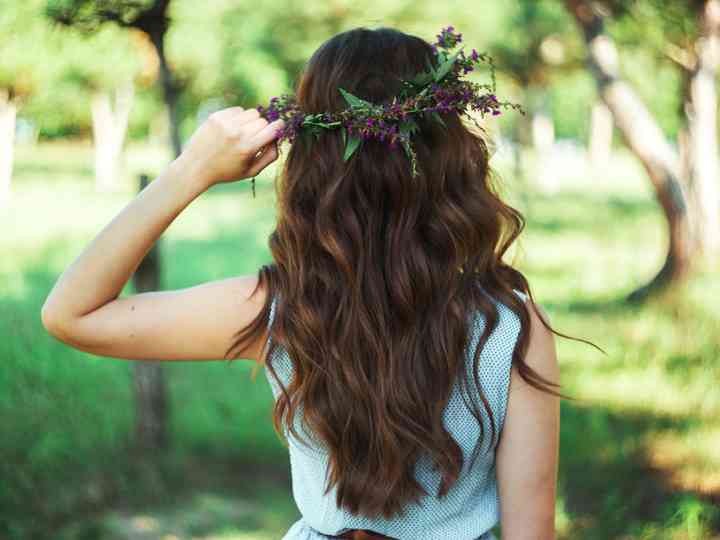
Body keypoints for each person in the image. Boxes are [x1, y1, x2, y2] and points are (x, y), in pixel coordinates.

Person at [41, 25, 578, 540]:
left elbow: (72, 314)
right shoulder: (512, 328)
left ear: (312, 159)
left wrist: (193, 169)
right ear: (451, 154)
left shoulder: (279, 308)